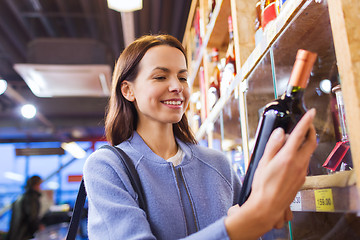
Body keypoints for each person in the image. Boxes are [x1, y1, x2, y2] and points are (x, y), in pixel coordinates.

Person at [83, 34, 317, 239]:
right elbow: (249, 222)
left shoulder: (218, 165)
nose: (177, 86)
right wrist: (243, 224)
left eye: (182, 77)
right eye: (160, 77)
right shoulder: (107, 167)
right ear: (128, 90)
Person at [7, 175, 43, 240]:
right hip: (24, 235)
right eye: (40, 184)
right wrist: (39, 227)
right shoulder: (32, 198)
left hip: (15, 234)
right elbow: (32, 217)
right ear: (36, 185)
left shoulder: (21, 197)